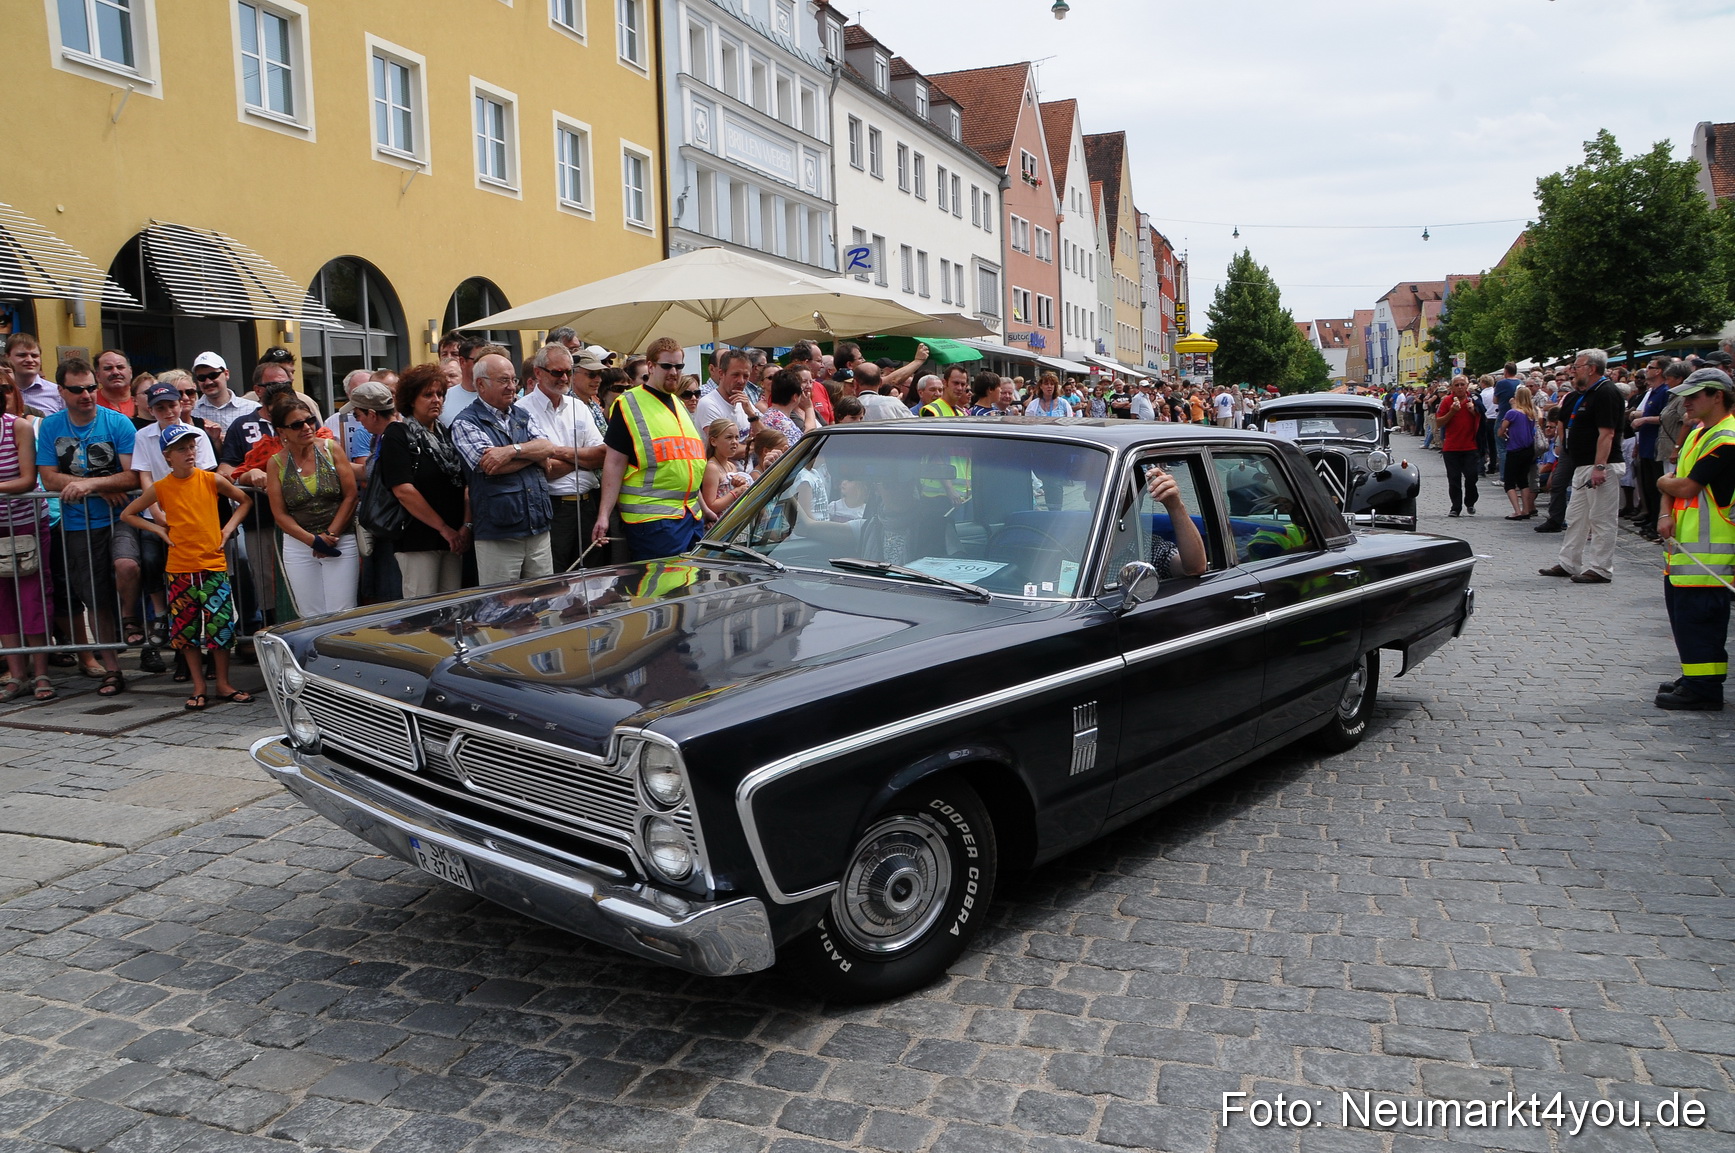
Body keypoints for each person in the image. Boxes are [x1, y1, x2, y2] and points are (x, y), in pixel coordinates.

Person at [120, 426, 254, 710]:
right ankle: (198, 686)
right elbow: (128, 514)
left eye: (191, 447)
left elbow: (244, 501)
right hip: (180, 569)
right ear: (168, 456)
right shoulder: (162, 487)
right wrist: (159, 530)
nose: (189, 453)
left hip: (212, 565)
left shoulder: (210, 480)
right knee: (186, 631)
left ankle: (223, 683)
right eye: (181, 449)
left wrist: (227, 529)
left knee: (221, 628)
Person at [37, 357, 137, 695]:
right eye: (77, 389)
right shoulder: (51, 427)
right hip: (78, 524)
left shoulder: (118, 423)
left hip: (120, 516)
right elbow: (48, 477)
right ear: (61, 391)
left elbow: (133, 475)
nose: (87, 395)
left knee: (127, 564)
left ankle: (132, 623)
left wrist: (92, 484)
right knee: (94, 599)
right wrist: (107, 483)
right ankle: (112, 668)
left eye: (91, 388)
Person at [1653, 367, 1735, 710]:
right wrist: (1664, 510)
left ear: (1718, 396)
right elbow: (1676, 479)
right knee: (1686, 621)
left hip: (1710, 557)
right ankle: (1697, 677)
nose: (1685, 402)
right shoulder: (1702, 433)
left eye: (1694, 396)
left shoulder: (1726, 439)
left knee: (1700, 623)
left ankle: (1704, 690)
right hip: (1686, 550)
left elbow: (1683, 484)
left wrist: (1662, 486)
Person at [594, 337, 707, 561]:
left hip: (690, 516)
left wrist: (704, 507)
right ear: (651, 366)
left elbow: (686, 464)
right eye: (667, 366)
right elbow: (614, 463)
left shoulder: (679, 405)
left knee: (687, 587)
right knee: (660, 592)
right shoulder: (629, 404)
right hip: (653, 521)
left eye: (679, 366)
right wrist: (603, 516)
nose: (674, 372)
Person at [451, 352, 556, 584]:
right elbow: (491, 467)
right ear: (481, 384)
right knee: (502, 610)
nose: (512, 387)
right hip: (498, 533)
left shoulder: (523, 414)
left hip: (537, 527)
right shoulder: (465, 422)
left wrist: (511, 451)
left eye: (513, 380)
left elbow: (548, 447)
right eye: (503, 380)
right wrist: (533, 456)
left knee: (543, 603)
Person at [379, 365, 469, 599]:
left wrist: (464, 527)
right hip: (417, 538)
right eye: (428, 395)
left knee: (452, 608)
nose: (436, 400)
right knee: (422, 611)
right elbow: (403, 490)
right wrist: (443, 528)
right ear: (411, 400)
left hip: (453, 537)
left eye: (440, 394)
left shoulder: (446, 433)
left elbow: (464, 483)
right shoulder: (397, 434)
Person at [265, 394, 359, 617]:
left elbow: (351, 496)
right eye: (297, 425)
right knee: (310, 615)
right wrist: (313, 541)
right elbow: (279, 513)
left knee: (342, 612)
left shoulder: (331, 449)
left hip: (340, 540)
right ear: (282, 432)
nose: (307, 427)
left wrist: (329, 535)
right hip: (299, 545)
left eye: (310, 421)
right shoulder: (276, 463)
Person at [1540, 349, 1625, 584]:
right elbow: (1565, 419)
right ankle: (1569, 561)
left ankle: (1601, 567)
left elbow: (1607, 433)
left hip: (1599, 465)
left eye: (1577, 367)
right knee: (1576, 516)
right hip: (1582, 464)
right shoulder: (1586, 393)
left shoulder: (1606, 392)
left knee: (1601, 518)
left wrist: (1600, 466)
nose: (1572, 371)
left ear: (1592, 368)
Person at [520, 343, 605, 572]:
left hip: (588, 505)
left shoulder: (578, 407)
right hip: (553, 508)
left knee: (592, 578)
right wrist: (582, 460)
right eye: (557, 372)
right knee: (557, 581)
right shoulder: (522, 411)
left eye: (568, 371)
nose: (564, 377)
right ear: (538, 372)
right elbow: (545, 468)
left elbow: (601, 456)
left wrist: (556, 451)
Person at [0, 383, 50, 701]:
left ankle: (42, 673)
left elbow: (28, 478)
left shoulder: (16, 425)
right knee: (3, 603)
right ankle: (17, 675)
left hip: (26, 526)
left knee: (33, 599)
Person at [1436, 375, 1481, 516]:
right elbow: (1439, 423)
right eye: (1457, 385)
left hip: (1471, 446)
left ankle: (1470, 501)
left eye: (1462, 384)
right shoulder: (1446, 401)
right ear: (1452, 387)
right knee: (1454, 478)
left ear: (1467, 386)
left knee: (1472, 477)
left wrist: (1474, 411)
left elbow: (1483, 417)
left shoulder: (1474, 400)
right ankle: (1455, 507)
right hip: (1451, 447)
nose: (1460, 387)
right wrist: (1452, 411)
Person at [190, 353, 260, 435]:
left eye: (213, 375)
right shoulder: (191, 412)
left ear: (226, 374)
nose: (208, 382)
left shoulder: (252, 409)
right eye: (202, 378)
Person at [694, 349, 758, 437]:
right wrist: (754, 446)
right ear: (721, 374)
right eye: (735, 375)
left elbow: (768, 438)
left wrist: (752, 415)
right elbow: (723, 447)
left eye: (746, 376)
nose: (741, 381)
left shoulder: (744, 402)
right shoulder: (708, 404)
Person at [1499, 385, 1539, 519]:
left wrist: (1505, 434)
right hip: (1528, 449)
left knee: (1509, 482)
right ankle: (1526, 509)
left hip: (1515, 449)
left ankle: (1517, 510)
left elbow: (1501, 430)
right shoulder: (1532, 413)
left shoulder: (1513, 413)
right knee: (1523, 480)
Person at [700, 418, 751, 522]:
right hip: (720, 524)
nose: (735, 442)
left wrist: (741, 484)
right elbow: (711, 505)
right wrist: (735, 492)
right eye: (729, 437)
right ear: (713, 441)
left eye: (737, 438)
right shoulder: (712, 467)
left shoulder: (731, 466)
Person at [6, 334, 59, 415]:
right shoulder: (3, 391)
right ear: (7, 357)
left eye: (34, 356)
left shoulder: (58, 393)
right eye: (22, 355)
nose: (30, 360)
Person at [94, 350, 135, 417]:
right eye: (108, 368)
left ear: (130, 372)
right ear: (98, 376)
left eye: (120, 367)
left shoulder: (143, 398)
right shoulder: (91, 402)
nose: (115, 372)